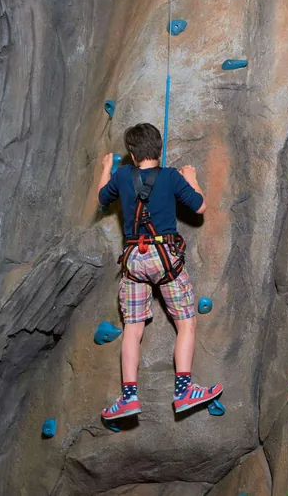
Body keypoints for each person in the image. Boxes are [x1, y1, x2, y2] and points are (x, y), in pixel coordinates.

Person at [97, 123, 222, 420]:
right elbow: (200, 206)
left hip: (133, 259)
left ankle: (128, 396)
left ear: (131, 153)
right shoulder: (171, 177)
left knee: (132, 328)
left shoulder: (122, 176)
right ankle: (183, 391)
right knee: (186, 323)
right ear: (159, 148)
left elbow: (102, 198)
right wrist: (191, 179)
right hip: (165, 256)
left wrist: (106, 167)